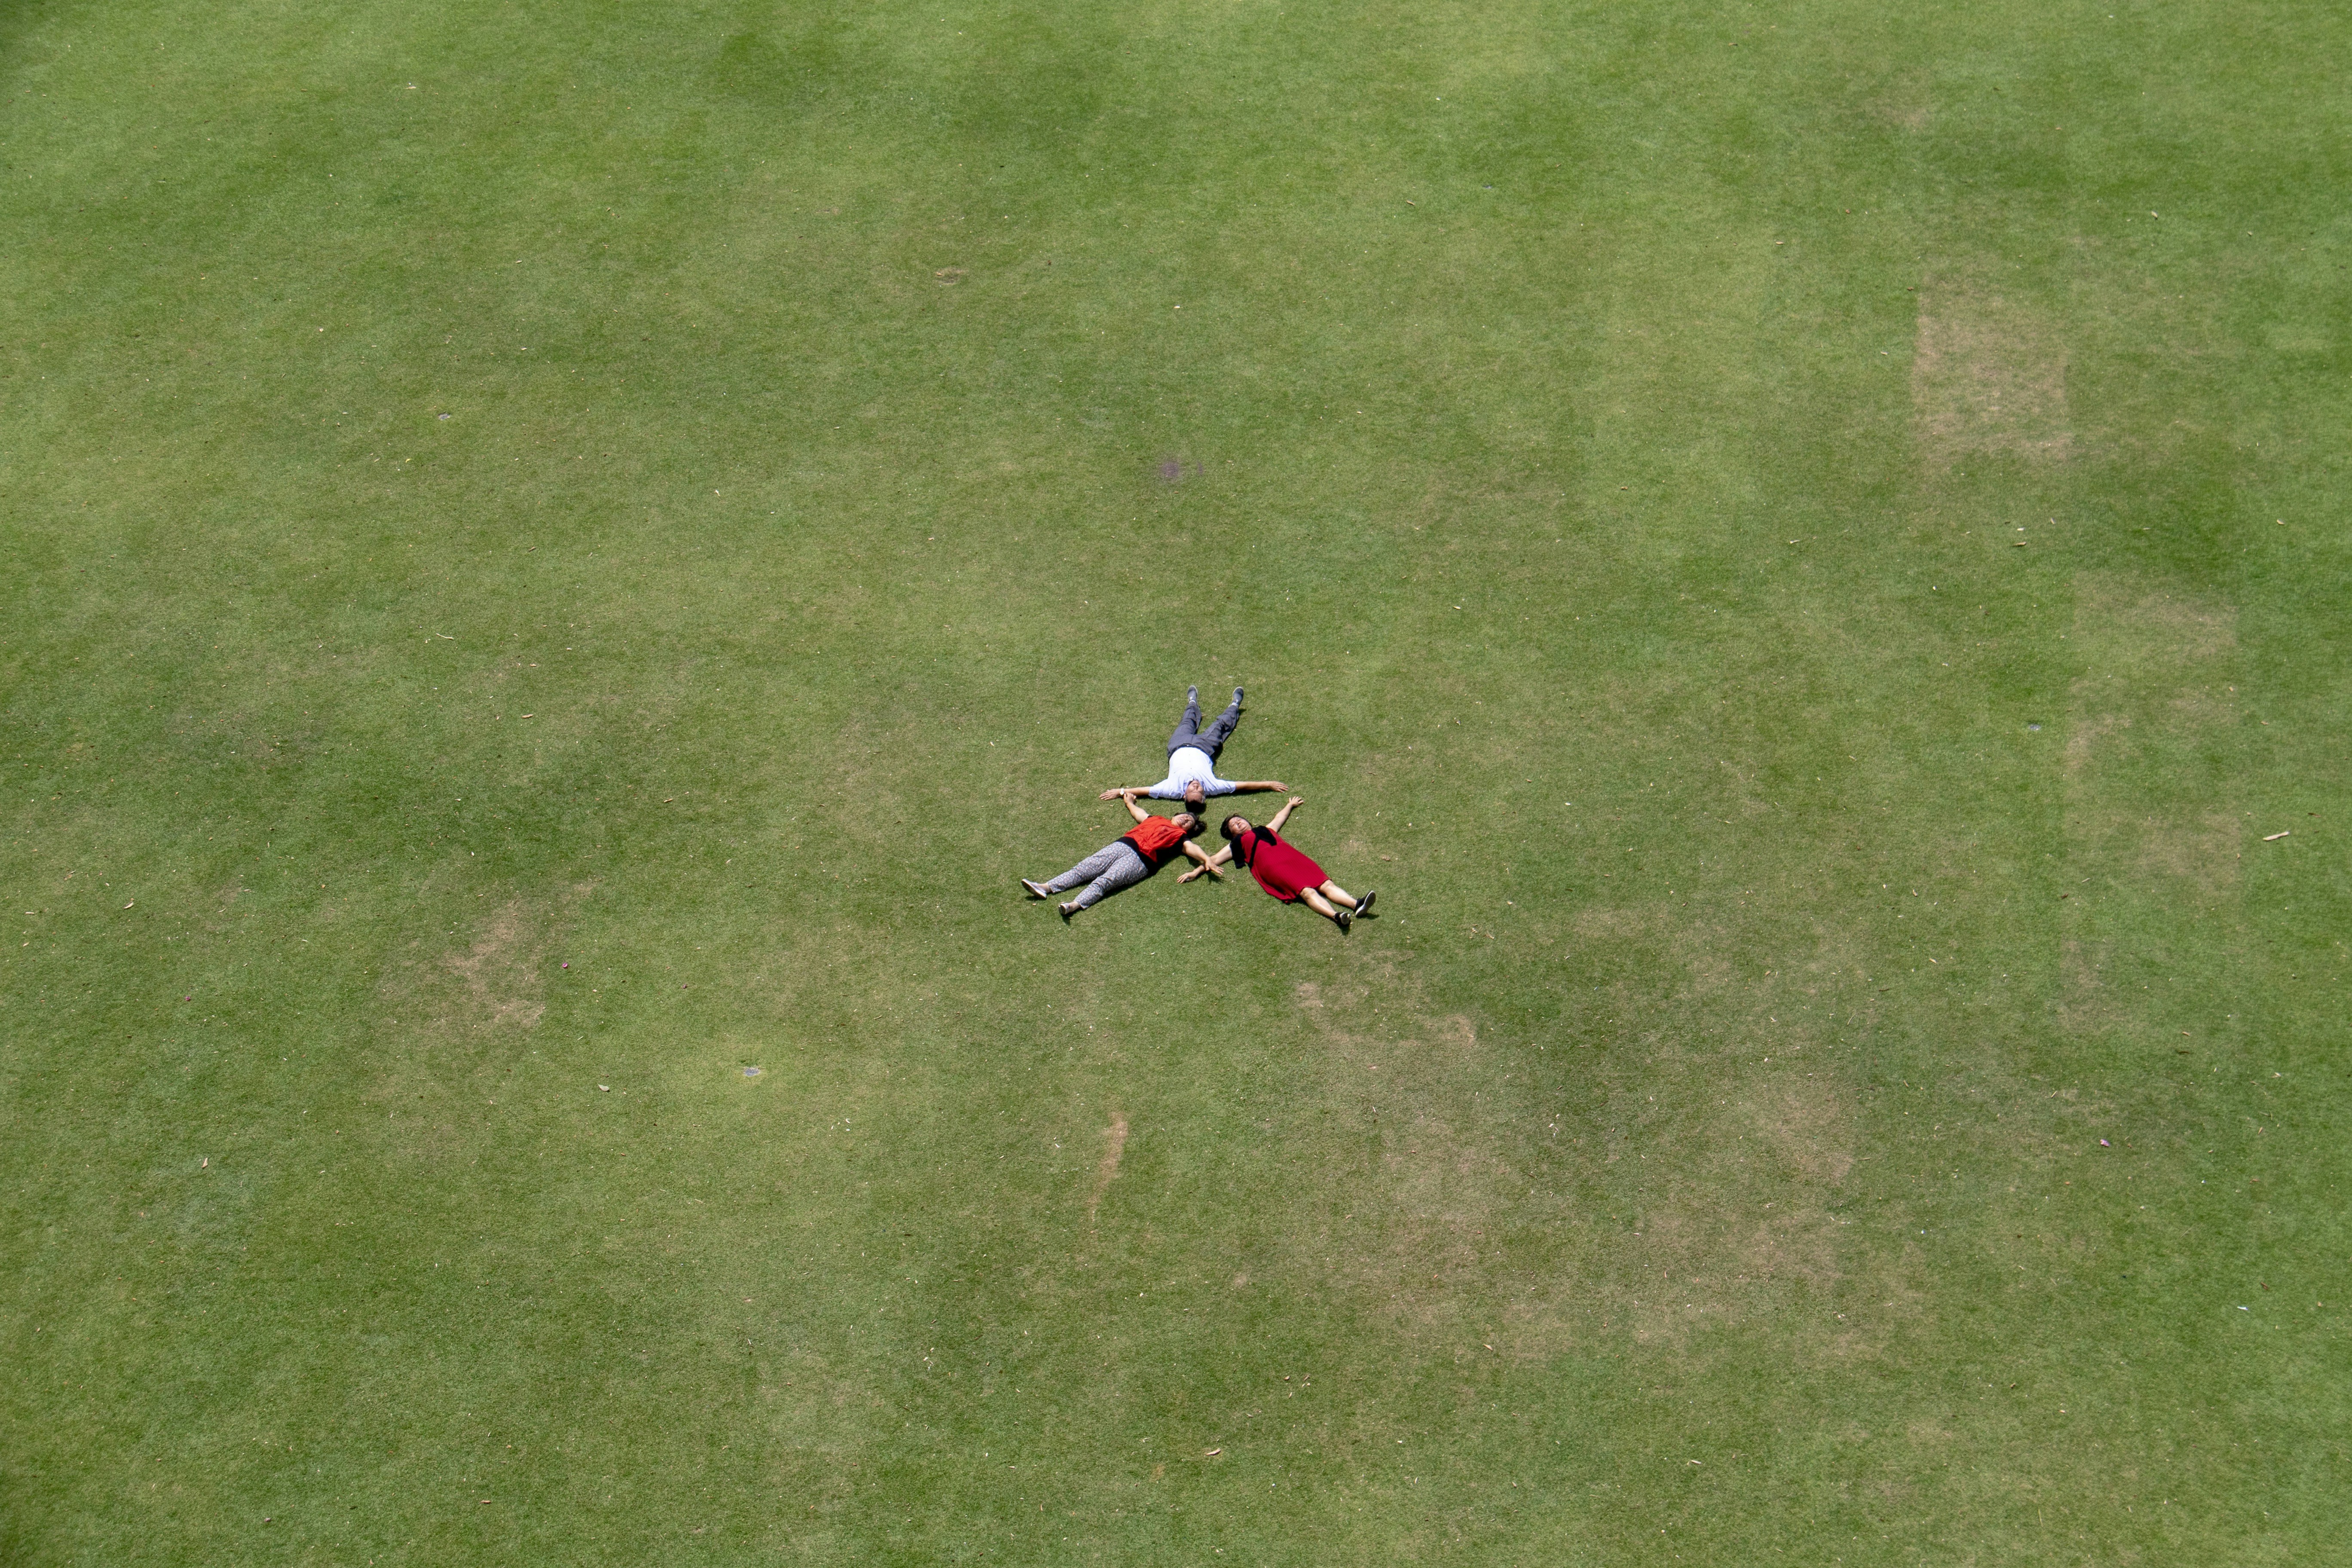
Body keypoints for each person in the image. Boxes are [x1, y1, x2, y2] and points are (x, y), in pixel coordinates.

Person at [1180, 795, 1375, 932]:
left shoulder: (1266, 830)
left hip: (1295, 859)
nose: (1238, 823)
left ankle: (1356, 904)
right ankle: (1336, 916)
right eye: (1233, 826)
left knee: (1326, 884)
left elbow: (1278, 818)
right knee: (1307, 891)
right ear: (1232, 834)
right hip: (1274, 867)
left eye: (1239, 820)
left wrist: (1289, 805)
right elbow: (1212, 859)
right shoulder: (1237, 844)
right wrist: (1196, 872)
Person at [1023, 790, 1218, 921]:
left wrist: (1206, 859)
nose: (1186, 819)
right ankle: (1045, 887)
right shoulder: (1155, 819)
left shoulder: (1181, 838)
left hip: (1141, 861)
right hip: (1123, 845)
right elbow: (1139, 813)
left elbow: (1192, 849)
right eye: (1185, 816)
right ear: (1175, 815)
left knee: (1106, 882)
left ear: (1188, 830)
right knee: (1084, 869)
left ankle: (1074, 905)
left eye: (1189, 823)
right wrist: (1129, 801)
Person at [1096, 685, 1286, 812]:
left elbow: (1144, 791)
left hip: (1178, 745)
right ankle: (1235, 705)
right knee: (1221, 726)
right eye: (1199, 790)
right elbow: (1242, 786)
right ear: (1205, 794)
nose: (1197, 786)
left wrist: (1120, 792)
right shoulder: (1213, 788)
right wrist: (1269, 784)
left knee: (1187, 721)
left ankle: (1193, 703)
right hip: (1205, 748)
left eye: (1193, 789)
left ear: (1184, 795)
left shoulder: (1171, 790)